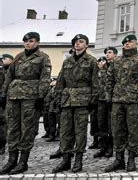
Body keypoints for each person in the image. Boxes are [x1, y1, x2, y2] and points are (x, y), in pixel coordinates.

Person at [0, 32, 51, 175]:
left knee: (27, 128)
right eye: (26, 41)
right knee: (12, 128)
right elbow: (9, 76)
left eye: (31, 41)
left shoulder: (43, 58)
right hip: (14, 96)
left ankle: (23, 162)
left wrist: (41, 97)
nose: (28, 43)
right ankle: (11, 161)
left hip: (31, 98)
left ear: (38, 42)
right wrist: (4, 94)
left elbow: (45, 78)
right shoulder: (18, 57)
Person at [52, 34, 98, 173]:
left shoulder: (91, 61)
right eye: (75, 42)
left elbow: (96, 83)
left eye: (81, 41)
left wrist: (93, 101)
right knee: (65, 131)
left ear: (86, 45)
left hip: (83, 101)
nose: (77, 44)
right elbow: (60, 81)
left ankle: (78, 160)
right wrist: (57, 99)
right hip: (67, 100)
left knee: (80, 132)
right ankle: (66, 160)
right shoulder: (67, 61)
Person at [104, 35, 138, 172]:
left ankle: (131, 159)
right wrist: (108, 98)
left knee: (133, 130)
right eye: (125, 42)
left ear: (136, 43)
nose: (127, 44)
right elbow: (109, 80)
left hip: (133, 101)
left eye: (130, 42)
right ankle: (119, 159)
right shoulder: (116, 61)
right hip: (117, 100)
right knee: (117, 130)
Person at [93, 56, 114, 158]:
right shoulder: (97, 71)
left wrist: (103, 70)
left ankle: (110, 147)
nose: (101, 62)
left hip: (109, 100)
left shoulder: (110, 69)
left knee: (110, 125)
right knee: (101, 124)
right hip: (100, 100)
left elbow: (107, 82)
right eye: (100, 60)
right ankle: (103, 146)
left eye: (103, 60)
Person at [0, 54, 13, 155]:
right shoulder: (2, 71)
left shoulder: (12, 70)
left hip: (8, 99)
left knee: (3, 122)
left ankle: (3, 144)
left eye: (4, 59)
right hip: (3, 99)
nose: (2, 61)